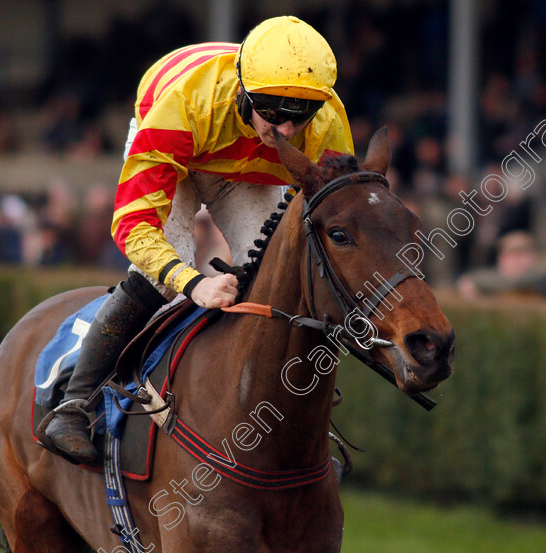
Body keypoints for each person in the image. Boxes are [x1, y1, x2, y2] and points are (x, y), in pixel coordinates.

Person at [45, 16, 354, 465]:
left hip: (247, 170)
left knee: (277, 273)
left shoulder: (327, 119)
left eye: (299, 117)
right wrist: (193, 283)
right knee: (163, 280)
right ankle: (73, 405)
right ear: (245, 93)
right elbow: (133, 225)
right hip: (182, 146)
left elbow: (330, 211)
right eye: (273, 112)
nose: (286, 131)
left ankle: (293, 422)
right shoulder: (185, 105)